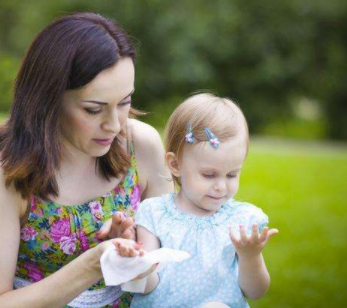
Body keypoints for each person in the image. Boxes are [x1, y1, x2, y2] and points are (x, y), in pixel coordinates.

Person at [0, 12, 172, 308]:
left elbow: (174, 260)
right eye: (93, 109)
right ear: (49, 100)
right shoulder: (7, 170)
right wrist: (94, 264)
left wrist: (136, 254)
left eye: (125, 102)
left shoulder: (141, 144)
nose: (115, 125)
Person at [115, 93, 279, 308]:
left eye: (232, 175)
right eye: (209, 175)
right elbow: (147, 286)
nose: (221, 186)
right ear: (175, 164)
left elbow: (255, 292)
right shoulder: (154, 214)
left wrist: (251, 256)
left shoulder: (241, 221)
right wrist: (136, 265)